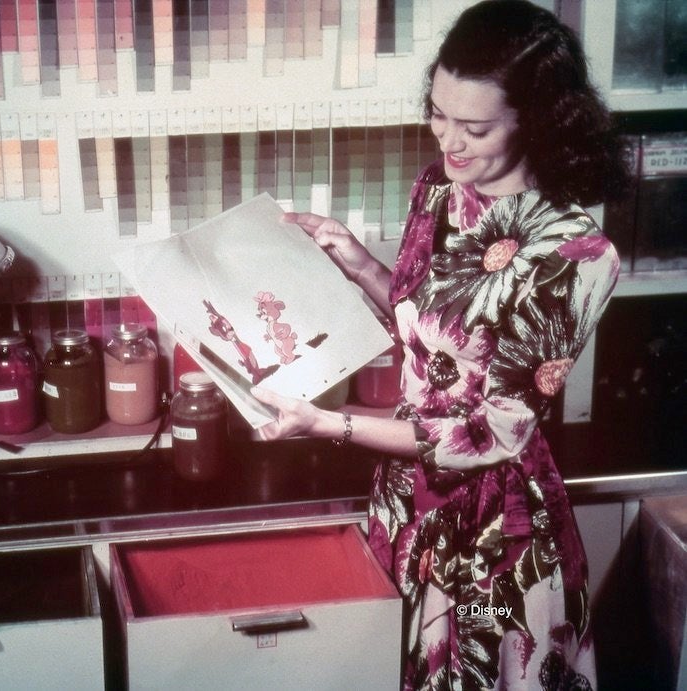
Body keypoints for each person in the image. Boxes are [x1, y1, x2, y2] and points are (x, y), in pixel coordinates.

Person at [251, 1, 631, 688]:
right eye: (438, 114)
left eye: (474, 127)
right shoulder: (438, 191)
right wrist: (356, 260)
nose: (448, 142)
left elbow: (494, 431)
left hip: (494, 533)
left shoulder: (578, 255)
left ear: (538, 119)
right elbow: (429, 343)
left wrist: (326, 423)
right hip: (406, 503)